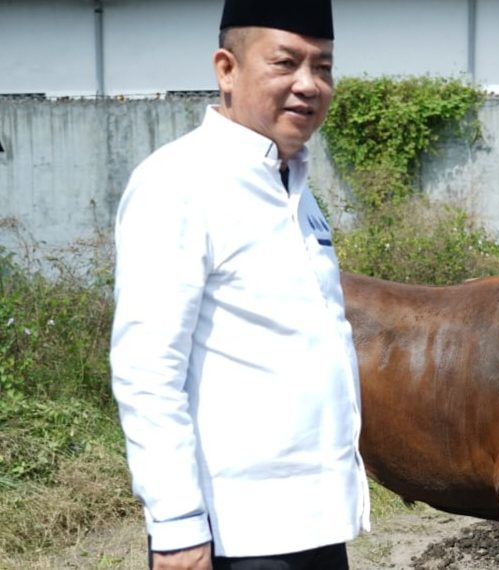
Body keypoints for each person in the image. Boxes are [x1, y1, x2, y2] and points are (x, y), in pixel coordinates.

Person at [110, 1, 369, 568]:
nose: (309, 85)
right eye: (286, 62)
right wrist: (177, 529)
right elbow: (147, 371)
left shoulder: (297, 189)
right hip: (238, 536)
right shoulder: (178, 183)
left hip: (318, 525)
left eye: (323, 67)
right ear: (226, 68)